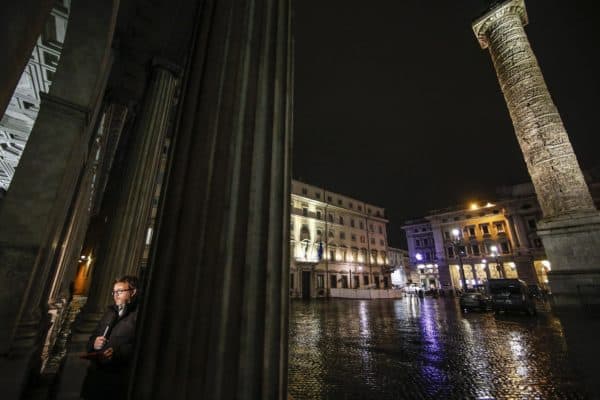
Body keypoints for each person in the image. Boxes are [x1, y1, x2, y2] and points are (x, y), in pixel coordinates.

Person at [81, 275, 139, 400]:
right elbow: (93, 338)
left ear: (133, 292)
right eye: (114, 292)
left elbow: (140, 347)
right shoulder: (110, 311)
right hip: (95, 376)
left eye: (120, 291)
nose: (115, 295)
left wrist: (116, 353)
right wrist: (94, 344)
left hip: (116, 379)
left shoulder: (137, 316)